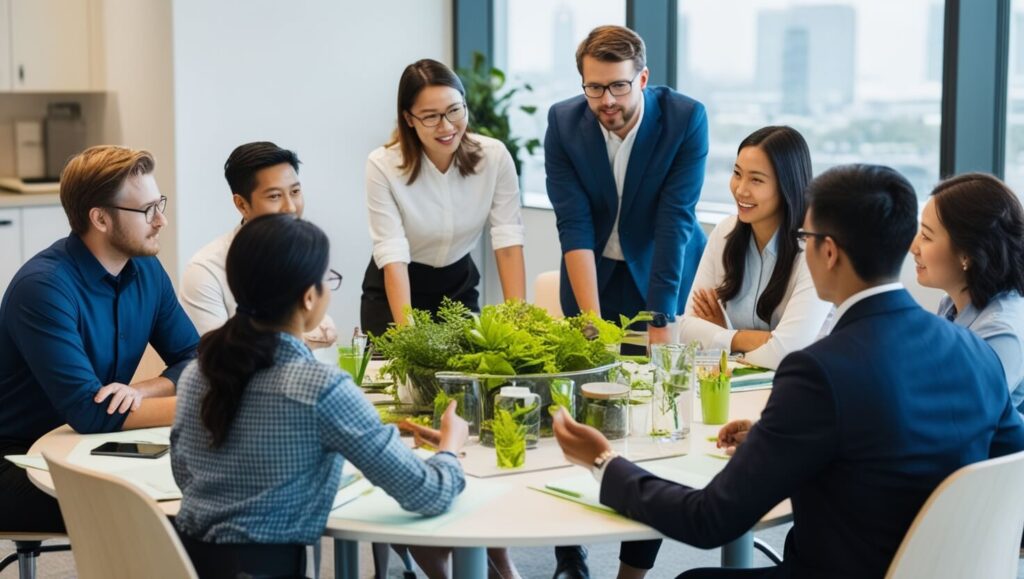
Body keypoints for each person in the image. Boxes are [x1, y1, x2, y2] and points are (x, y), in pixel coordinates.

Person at [554, 164, 1024, 579]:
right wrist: (777, 433)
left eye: (805, 239)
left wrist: (603, 462)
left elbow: (709, 521)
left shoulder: (820, 371)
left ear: (828, 252)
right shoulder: (973, 350)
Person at [171, 214, 468, 578]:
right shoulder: (321, 388)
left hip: (187, 565)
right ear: (309, 298)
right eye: (328, 278)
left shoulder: (196, 375)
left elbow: (184, 474)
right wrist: (451, 447)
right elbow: (428, 493)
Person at [0, 145, 199, 532]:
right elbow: (90, 413)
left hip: (89, 443)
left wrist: (143, 391)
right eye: (147, 211)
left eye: (160, 204)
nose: (161, 221)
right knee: (157, 514)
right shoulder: (43, 287)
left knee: (206, 489)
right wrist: (204, 407)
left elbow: (193, 357)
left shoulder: (146, 270)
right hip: (15, 457)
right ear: (100, 219)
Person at [545, 25, 708, 347]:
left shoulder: (685, 119)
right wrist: (589, 323)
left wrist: (660, 319)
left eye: (619, 86)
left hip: (663, 275)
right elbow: (574, 223)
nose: (607, 100)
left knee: (662, 382)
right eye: (594, 87)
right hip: (595, 277)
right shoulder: (563, 123)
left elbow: (674, 221)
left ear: (643, 79)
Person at [361, 58, 526, 336]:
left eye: (454, 110)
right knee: (400, 377)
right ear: (409, 119)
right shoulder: (383, 164)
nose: (447, 126)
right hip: (397, 288)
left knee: (468, 375)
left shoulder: (494, 157)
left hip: (457, 286)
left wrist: (520, 322)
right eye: (430, 116)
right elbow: (393, 255)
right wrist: (410, 339)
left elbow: (508, 241)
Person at [679, 126, 831, 369]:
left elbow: (785, 354)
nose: (741, 189)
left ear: (786, 185)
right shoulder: (725, 234)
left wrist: (724, 336)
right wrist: (752, 339)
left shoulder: (816, 250)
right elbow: (687, 331)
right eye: (737, 174)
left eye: (756, 180)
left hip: (802, 389)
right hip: (737, 388)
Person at [179, 141, 336, 347]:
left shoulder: (303, 251)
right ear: (242, 204)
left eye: (295, 192)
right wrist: (301, 339)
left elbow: (324, 328)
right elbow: (217, 356)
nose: (290, 207)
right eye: (274, 196)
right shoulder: (206, 269)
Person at [910, 173, 1024, 415]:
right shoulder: (953, 304)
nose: (914, 247)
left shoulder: (1000, 333)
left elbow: (957, 418)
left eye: (927, 236)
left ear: (967, 254)